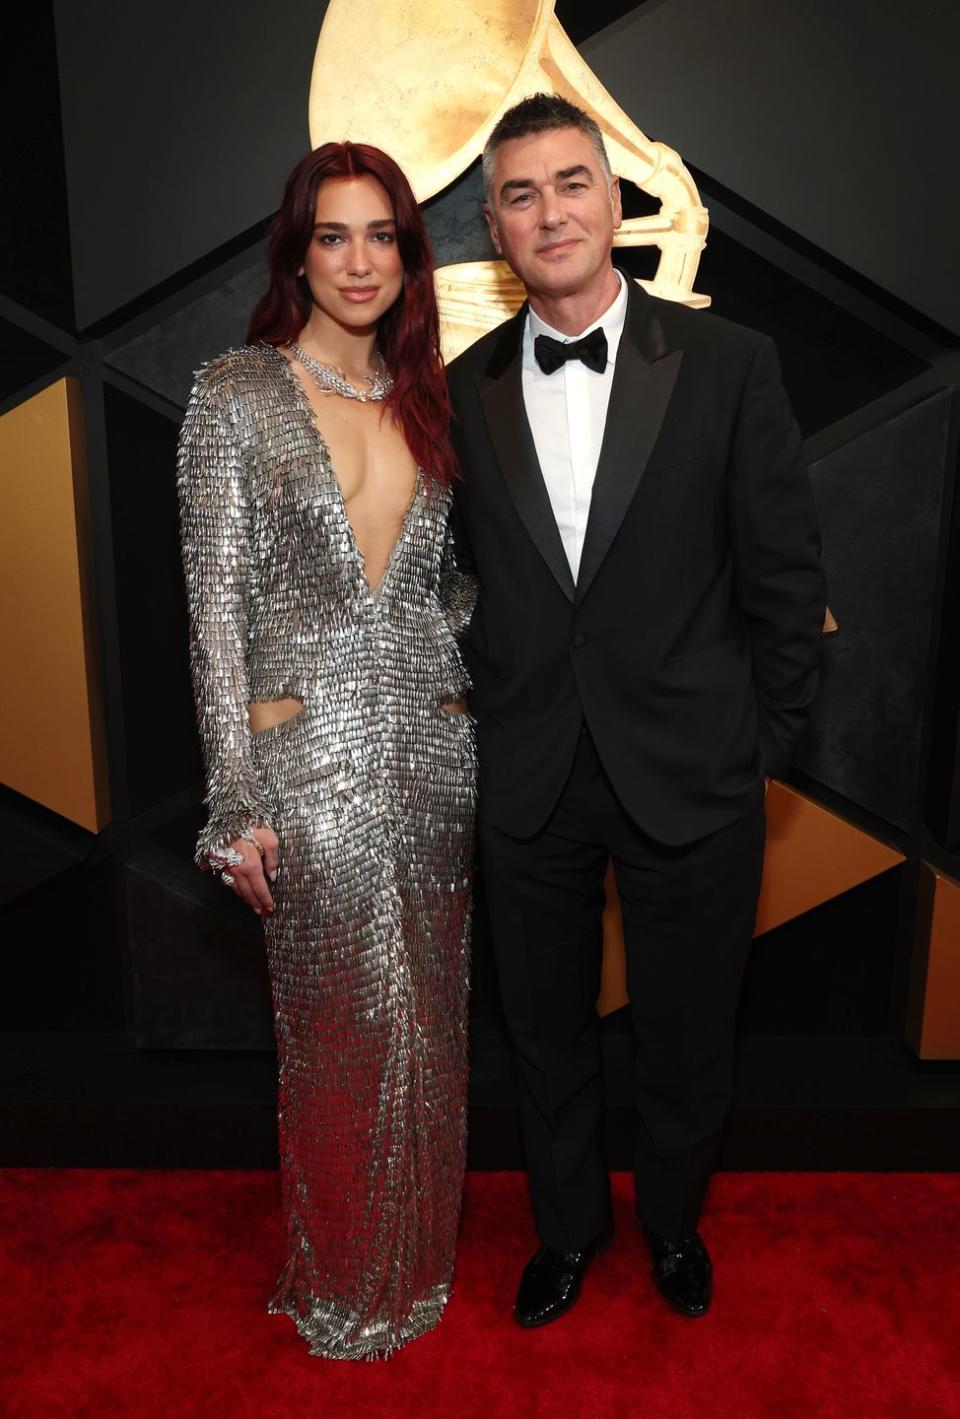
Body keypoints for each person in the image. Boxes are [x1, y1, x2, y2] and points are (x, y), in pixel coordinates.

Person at [447, 94, 826, 1328]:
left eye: (570, 183)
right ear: (496, 226)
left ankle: (671, 1222)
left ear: (614, 201)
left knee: (686, 1031)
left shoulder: (731, 364)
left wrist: (761, 750)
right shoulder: (456, 390)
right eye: (519, 193)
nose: (548, 211)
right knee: (544, 1037)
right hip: (529, 771)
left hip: (692, 769)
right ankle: (567, 1232)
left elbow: (785, 579)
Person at [176, 142, 476, 1360]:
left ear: (410, 256)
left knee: (436, 1025)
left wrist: (455, 690)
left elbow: (451, 588)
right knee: (343, 1032)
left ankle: (421, 1265)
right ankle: (346, 1281)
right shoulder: (235, 393)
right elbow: (213, 611)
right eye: (334, 236)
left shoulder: (429, 400)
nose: (360, 262)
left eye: (384, 236)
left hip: (440, 756)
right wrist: (231, 797)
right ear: (298, 251)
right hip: (307, 770)